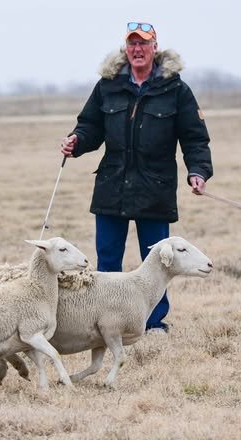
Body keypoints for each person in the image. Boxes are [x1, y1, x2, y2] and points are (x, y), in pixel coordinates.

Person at [61, 21, 212, 334]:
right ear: (125, 49)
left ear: (154, 48)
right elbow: (90, 126)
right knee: (107, 262)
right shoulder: (108, 85)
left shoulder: (176, 89)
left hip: (155, 189)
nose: (137, 49)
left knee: (157, 261)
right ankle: (104, 324)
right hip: (111, 187)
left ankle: (154, 324)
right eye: (132, 44)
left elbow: (195, 138)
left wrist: (198, 171)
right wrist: (77, 141)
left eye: (143, 43)